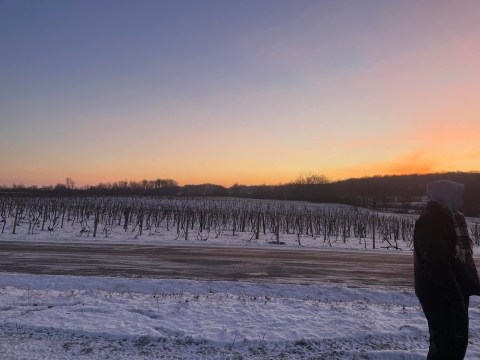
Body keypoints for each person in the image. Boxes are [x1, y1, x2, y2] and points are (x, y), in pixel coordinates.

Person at [414, 180, 480, 359]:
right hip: (441, 295)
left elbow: (456, 259)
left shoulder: (450, 217)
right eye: (457, 196)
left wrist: (470, 285)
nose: (461, 201)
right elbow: (437, 265)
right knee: (446, 345)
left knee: (454, 343)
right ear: (446, 196)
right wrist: (455, 298)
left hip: (451, 293)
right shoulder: (431, 221)